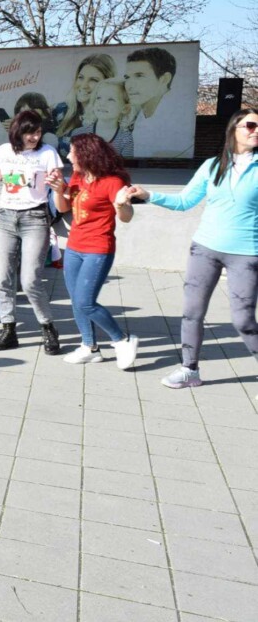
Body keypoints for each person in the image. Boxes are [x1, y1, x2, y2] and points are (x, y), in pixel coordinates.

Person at [128, 108, 258, 388]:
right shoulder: (212, 166)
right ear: (234, 129)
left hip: (246, 253)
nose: (255, 130)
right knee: (192, 313)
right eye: (250, 125)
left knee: (244, 320)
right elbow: (184, 201)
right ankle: (190, 370)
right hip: (205, 250)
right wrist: (148, 195)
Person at [0, 111, 63, 354]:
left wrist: (58, 183)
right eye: (30, 132)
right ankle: (8, 328)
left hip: (35, 218)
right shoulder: (4, 151)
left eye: (38, 132)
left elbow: (59, 184)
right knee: (3, 278)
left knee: (30, 281)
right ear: (18, 131)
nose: (35, 137)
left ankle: (47, 326)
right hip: (6, 217)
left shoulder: (48, 153)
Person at [46, 133, 140, 368]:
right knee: (76, 301)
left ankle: (122, 340)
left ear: (87, 154)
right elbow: (64, 207)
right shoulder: (78, 176)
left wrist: (121, 204)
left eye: (72, 152)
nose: (68, 156)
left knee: (86, 302)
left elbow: (126, 218)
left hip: (98, 248)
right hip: (74, 246)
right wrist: (59, 190)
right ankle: (89, 347)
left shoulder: (113, 182)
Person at [52, 54, 116, 157]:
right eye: (81, 78)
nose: (84, 85)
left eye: (93, 80)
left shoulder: (111, 116)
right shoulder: (60, 110)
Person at [124, 46, 178, 157]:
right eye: (127, 77)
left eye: (139, 76)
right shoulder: (141, 114)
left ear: (164, 79)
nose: (129, 85)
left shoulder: (176, 117)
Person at [71, 78, 135, 157]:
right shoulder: (79, 133)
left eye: (111, 99)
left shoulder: (125, 138)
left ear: (125, 108)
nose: (102, 103)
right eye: (98, 98)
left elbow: (127, 167)